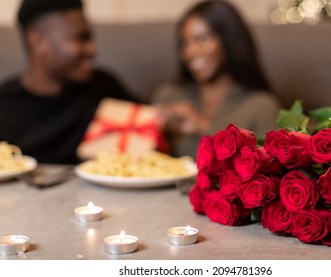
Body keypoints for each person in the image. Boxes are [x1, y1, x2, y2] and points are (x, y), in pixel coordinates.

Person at [0, 0, 142, 164]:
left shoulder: (102, 86)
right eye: (81, 38)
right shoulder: (5, 106)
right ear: (38, 42)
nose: (92, 49)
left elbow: (152, 118)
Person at [152, 0, 281, 159]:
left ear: (230, 41)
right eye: (185, 43)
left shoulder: (260, 107)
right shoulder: (169, 96)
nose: (190, 52)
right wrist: (155, 135)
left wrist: (204, 127)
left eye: (203, 39)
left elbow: (266, 171)